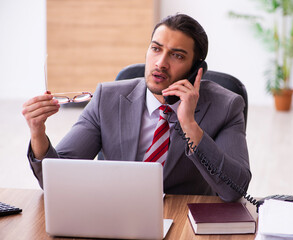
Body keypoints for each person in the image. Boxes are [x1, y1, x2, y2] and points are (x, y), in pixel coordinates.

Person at [22, 13, 251, 202]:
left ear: (196, 69)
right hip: (118, 215)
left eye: (177, 55)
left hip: (184, 222)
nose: (161, 63)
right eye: (156, 49)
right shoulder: (107, 98)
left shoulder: (226, 106)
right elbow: (58, 180)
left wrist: (190, 125)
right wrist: (38, 133)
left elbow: (234, 189)